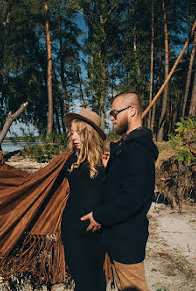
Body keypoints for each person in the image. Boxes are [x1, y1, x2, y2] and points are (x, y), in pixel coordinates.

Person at [81, 91, 158, 291]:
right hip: (119, 237)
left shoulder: (138, 150)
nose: (111, 118)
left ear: (132, 111)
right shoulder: (129, 147)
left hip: (127, 239)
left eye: (115, 112)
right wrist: (110, 168)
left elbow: (132, 198)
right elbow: (121, 187)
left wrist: (99, 216)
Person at [61, 108, 107, 291]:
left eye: (78, 132)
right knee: (83, 282)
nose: (73, 137)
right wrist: (1, 164)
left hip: (98, 230)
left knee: (97, 279)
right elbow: (39, 180)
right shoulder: (70, 161)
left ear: (89, 133)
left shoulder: (106, 160)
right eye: (72, 133)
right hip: (74, 231)